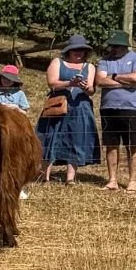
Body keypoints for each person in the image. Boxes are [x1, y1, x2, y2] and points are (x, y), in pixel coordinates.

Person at [36, 34, 101, 185]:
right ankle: (44, 176)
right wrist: (69, 83)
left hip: (80, 108)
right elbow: (52, 83)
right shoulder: (57, 62)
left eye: (82, 50)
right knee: (51, 137)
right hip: (58, 106)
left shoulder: (89, 67)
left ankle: (70, 178)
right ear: (68, 51)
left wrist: (86, 87)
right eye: (75, 50)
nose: (78, 52)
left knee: (76, 139)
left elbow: (92, 90)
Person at [95, 30, 136, 193]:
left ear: (124, 46)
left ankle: (132, 181)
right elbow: (100, 80)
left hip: (132, 108)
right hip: (109, 108)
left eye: (116, 46)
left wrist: (114, 76)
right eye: (112, 46)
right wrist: (123, 83)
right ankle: (112, 180)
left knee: (133, 145)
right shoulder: (104, 61)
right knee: (111, 144)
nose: (113, 49)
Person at [0, 64, 31, 200]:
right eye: (4, 78)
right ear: (0, 78)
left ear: (15, 81)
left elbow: (25, 112)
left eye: (10, 79)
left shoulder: (20, 94)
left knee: (15, 159)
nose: (7, 81)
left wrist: (15, 108)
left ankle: (17, 187)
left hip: (14, 131)